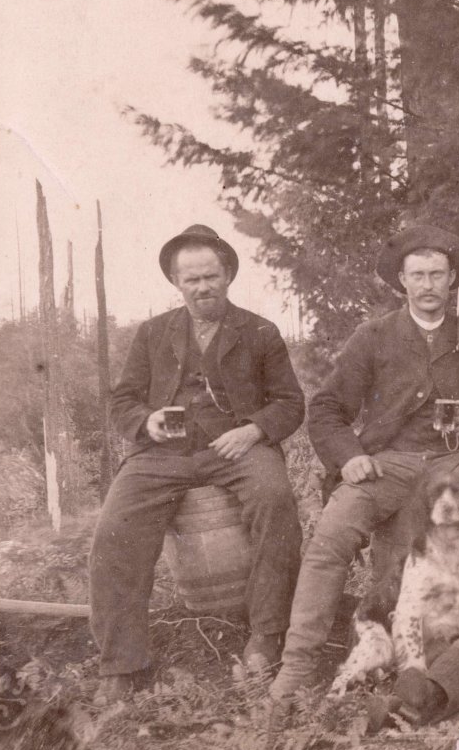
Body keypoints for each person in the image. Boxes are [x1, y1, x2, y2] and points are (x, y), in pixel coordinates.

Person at [269, 224, 459, 719]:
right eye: (418, 275)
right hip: (390, 462)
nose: (428, 284)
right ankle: (297, 665)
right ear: (402, 281)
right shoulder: (373, 337)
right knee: (332, 532)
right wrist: (349, 455)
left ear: (453, 280)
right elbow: (327, 409)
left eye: (438, 274)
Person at [90, 225, 305, 705]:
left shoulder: (260, 332)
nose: (202, 287)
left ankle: (267, 637)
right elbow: (121, 400)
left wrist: (252, 429)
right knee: (114, 528)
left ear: (227, 274)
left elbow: (290, 403)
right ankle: (122, 664)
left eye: (211, 276)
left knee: (275, 500)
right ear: (175, 283)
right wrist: (147, 422)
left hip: (237, 450)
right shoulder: (152, 333)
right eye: (192, 280)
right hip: (162, 455)